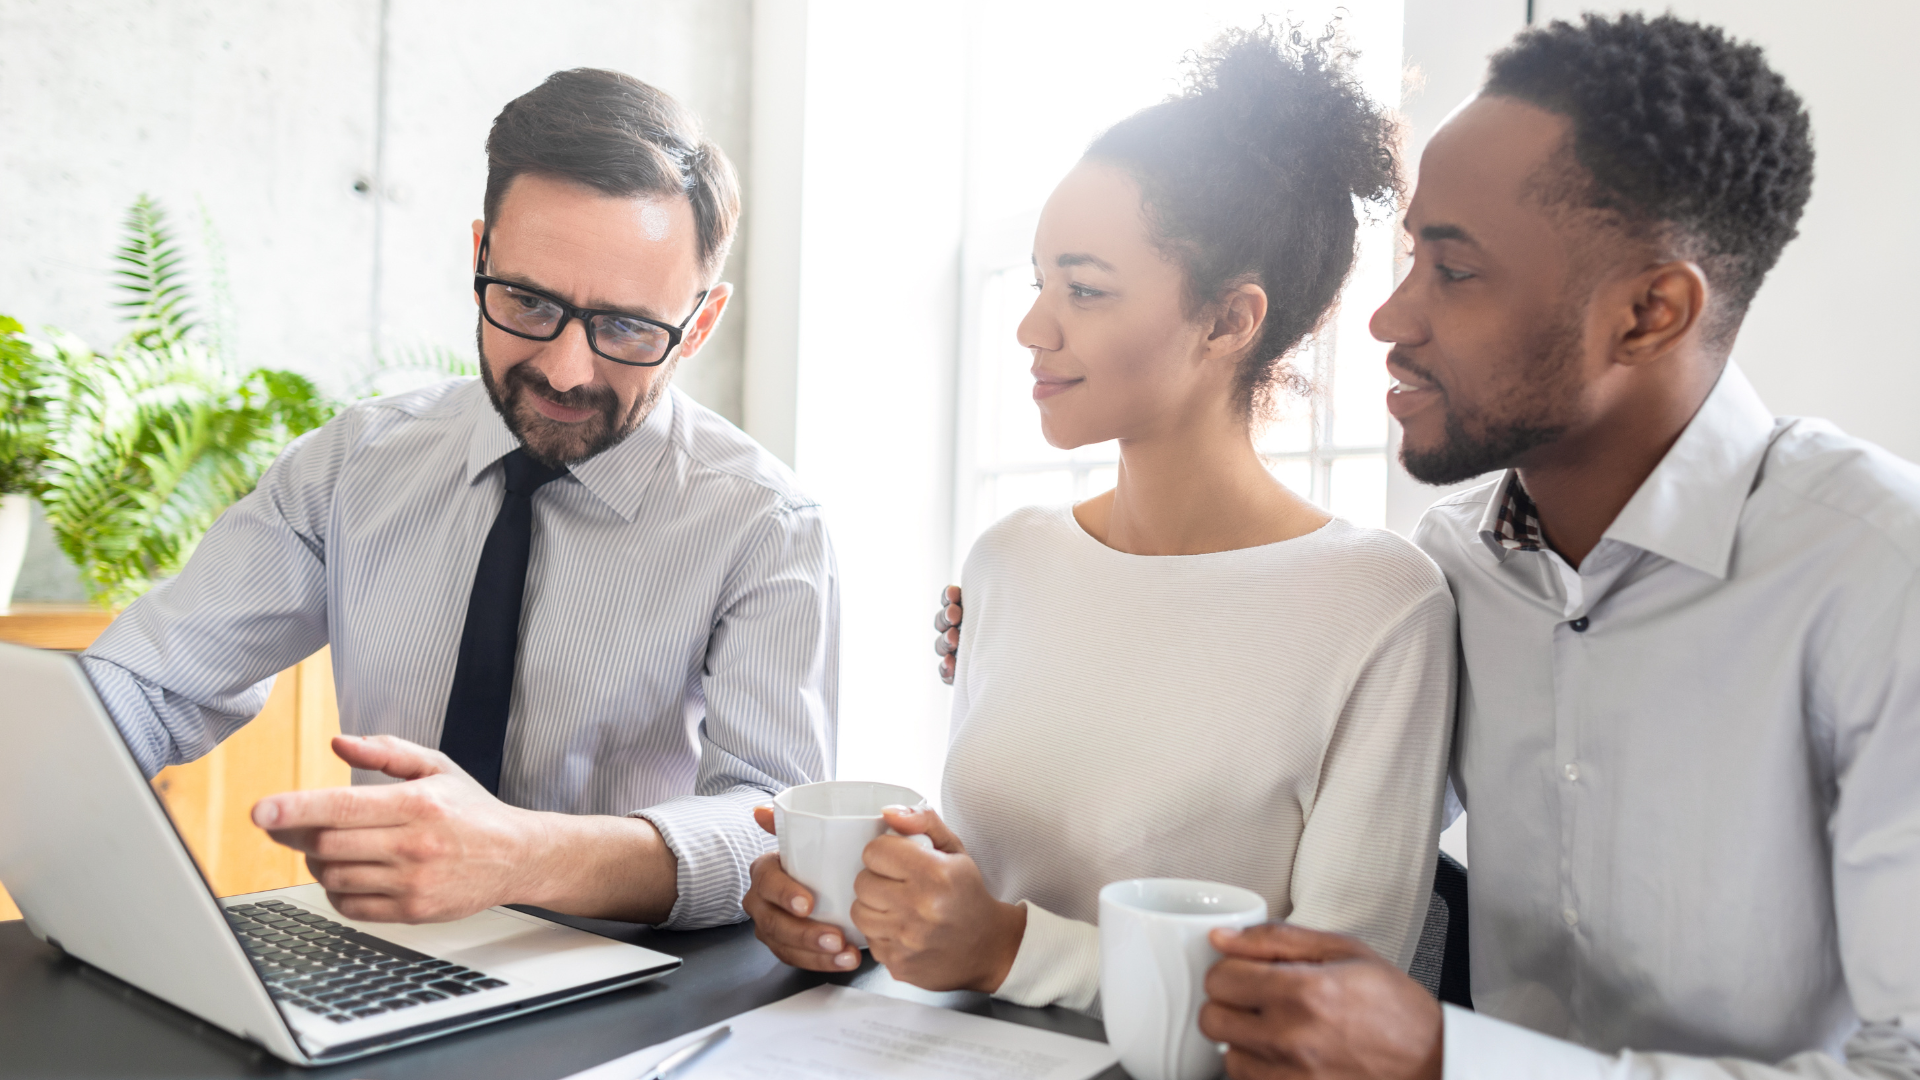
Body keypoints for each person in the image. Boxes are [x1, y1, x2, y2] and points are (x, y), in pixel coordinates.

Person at [950, 14, 1920, 1078]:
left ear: (1650, 313)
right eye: (1412, 253)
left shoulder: (1881, 580)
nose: (1388, 318)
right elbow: (1250, 759)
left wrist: (1445, 1056)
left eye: (1454, 273)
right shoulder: (1455, 568)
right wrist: (1030, 634)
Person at [749, 25, 1456, 1012]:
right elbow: (987, 906)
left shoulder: (1380, 607)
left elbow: (1329, 1007)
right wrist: (865, 916)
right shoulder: (1009, 561)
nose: (1033, 328)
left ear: (1229, 320)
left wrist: (1005, 947)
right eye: (1041, 280)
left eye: (1084, 289)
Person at [80, 69, 838, 931]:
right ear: (480, 255)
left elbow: (773, 825)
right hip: (389, 963)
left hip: (640, 994)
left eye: (628, 328)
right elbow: (155, 685)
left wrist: (520, 855)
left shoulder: (765, 527)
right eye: (527, 302)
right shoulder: (354, 464)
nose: (564, 370)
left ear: (698, 324)